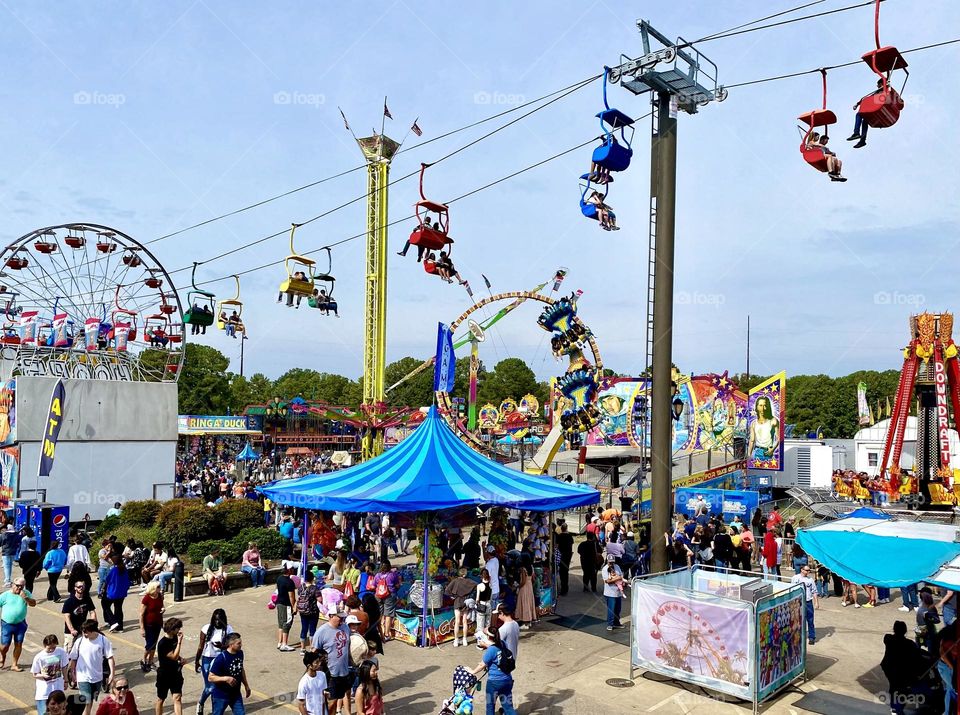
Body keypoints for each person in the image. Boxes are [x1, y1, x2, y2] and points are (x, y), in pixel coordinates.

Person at [68, 620, 115, 715]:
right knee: (85, 700)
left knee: (91, 700)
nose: (84, 634)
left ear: (93, 631)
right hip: (83, 677)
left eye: (86, 632)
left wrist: (112, 674)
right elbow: (73, 659)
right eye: (83, 632)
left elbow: (110, 657)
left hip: (97, 677)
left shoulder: (103, 640)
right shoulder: (80, 641)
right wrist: (72, 673)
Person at [468, 626, 518, 715]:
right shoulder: (503, 644)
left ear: (488, 637)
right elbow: (497, 650)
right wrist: (486, 646)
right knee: (508, 706)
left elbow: (482, 665)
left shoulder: (491, 650)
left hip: (494, 683)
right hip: (507, 680)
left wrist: (473, 671)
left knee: (490, 706)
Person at [312, 606, 352, 715]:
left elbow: (350, 647)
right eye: (339, 617)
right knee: (331, 702)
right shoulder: (321, 632)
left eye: (343, 617)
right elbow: (313, 653)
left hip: (344, 671)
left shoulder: (345, 628)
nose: (342, 620)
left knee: (341, 698)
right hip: (330, 673)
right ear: (330, 616)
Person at [195, 608, 233, 715]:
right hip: (207, 659)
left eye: (219, 620)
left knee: (217, 687)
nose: (217, 622)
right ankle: (201, 703)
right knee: (210, 687)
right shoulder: (206, 628)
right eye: (215, 620)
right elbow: (200, 646)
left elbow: (232, 646)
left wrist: (223, 646)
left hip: (220, 659)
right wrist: (197, 661)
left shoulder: (228, 629)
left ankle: (214, 711)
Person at [880, 620, 919, 715]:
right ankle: (897, 708)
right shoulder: (909, 643)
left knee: (894, 686)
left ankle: (895, 708)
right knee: (901, 688)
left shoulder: (888, 638)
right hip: (902, 669)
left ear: (894, 629)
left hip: (889, 667)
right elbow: (917, 652)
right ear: (905, 631)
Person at [208, 632, 250, 715]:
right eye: (238, 643)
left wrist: (246, 685)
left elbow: (241, 669)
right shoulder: (221, 658)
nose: (241, 645)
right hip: (221, 695)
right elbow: (210, 677)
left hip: (235, 694)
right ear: (231, 645)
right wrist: (226, 678)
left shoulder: (240, 653)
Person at [0, 576, 37, 669]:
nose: (19, 588)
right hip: (7, 624)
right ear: (13, 585)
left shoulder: (26, 593)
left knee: (18, 644)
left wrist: (26, 598)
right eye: (17, 586)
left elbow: (33, 604)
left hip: (20, 624)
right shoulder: (5, 595)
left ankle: (14, 664)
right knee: (4, 646)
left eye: (22, 586)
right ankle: (2, 657)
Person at [155, 617, 185, 715]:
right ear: (172, 629)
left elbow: (175, 655)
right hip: (164, 674)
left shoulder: (174, 637)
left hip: (175, 673)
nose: (179, 630)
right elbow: (174, 656)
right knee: (161, 698)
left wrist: (181, 659)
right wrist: (180, 642)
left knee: (177, 697)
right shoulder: (163, 643)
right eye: (178, 628)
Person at [32, 634, 68, 715]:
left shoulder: (61, 652)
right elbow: (35, 674)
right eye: (49, 648)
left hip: (57, 688)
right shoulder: (39, 657)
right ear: (45, 645)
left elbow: (64, 667)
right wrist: (43, 676)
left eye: (54, 648)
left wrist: (66, 681)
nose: (52, 650)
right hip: (44, 692)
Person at [847, 78, 885, 148]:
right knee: (865, 121)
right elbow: (866, 98)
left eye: (878, 85)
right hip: (875, 110)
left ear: (881, 84)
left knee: (859, 114)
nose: (877, 86)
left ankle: (856, 133)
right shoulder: (879, 91)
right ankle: (862, 141)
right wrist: (858, 104)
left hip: (877, 109)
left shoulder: (885, 90)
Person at [62, 581, 97, 654]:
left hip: (83, 629)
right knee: (68, 651)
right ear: (75, 588)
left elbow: (92, 612)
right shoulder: (69, 602)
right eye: (79, 587)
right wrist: (72, 630)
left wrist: (93, 625)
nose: (81, 588)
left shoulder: (87, 599)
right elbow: (67, 617)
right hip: (71, 631)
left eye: (82, 586)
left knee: (81, 650)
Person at [445, 568, 477, 648]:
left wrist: (453, 596)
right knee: (465, 621)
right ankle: (465, 639)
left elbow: (447, 590)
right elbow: (477, 585)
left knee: (457, 621)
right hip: (466, 601)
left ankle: (456, 640)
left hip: (457, 601)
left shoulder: (455, 581)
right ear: (465, 574)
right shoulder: (469, 581)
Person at [138, 581, 164, 673]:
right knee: (149, 644)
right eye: (158, 586)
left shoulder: (160, 596)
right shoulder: (147, 598)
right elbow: (141, 614)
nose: (160, 588)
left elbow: (161, 606)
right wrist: (142, 628)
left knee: (154, 644)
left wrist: (163, 609)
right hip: (149, 624)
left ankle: (151, 661)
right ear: (153, 588)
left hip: (158, 623)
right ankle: (144, 659)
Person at [790, 564, 819, 645]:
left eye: (809, 570)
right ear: (802, 570)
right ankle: (797, 637)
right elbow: (791, 589)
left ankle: (811, 637)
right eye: (806, 570)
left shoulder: (810, 580)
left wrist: (816, 602)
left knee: (810, 620)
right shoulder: (795, 578)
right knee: (798, 620)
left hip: (808, 602)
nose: (808, 572)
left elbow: (814, 591)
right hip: (798, 602)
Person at [371, 560, 399, 643]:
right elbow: (397, 585)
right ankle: (386, 634)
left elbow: (373, 586)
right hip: (389, 596)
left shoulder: (377, 575)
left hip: (378, 596)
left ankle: (378, 632)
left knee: (379, 614)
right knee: (388, 614)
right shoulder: (393, 575)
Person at [101, 555, 129, 633]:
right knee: (118, 608)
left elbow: (107, 580)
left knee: (105, 605)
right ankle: (120, 627)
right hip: (122, 593)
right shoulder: (124, 569)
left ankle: (112, 622)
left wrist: (103, 589)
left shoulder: (114, 570)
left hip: (113, 592)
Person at [296, 650, 328, 715]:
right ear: (309, 665)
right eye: (316, 662)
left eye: (319, 661)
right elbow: (301, 705)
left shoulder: (322, 675)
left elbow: (323, 696)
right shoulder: (304, 682)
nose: (319, 663)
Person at [297, 570, 320, 653]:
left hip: (302, 611)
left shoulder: (301, 587)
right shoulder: (314, 588)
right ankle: (312, 648)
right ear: (312, 578)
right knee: (312, 629)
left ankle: (302, 649)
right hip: (313, 611)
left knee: (304, 629)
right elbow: (320, 599)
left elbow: (299, 596)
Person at [275, 565, 298, 652]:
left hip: (279, 603)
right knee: (287, 623)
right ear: (289, 570)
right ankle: (284, 644)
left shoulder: (279, 578)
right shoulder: (289, 582)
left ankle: (280, 642)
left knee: (281, 623)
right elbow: (291, 596)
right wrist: (294, 607)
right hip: (286, 605)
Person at [600, 554, 625, 632]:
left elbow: (621, 575)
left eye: (612, 562)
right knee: (611, 609)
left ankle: (616, 623)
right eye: (610, 562)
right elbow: (607, 581)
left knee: (618, 609)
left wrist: (619, 578)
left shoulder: (617, 566)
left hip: (618, 592)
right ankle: (610, 624)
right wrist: (618, 578)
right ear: (607, 561)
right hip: (610, 593)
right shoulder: (605, 569)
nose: (611, 563)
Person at [514, 559, 536, 629]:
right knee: (529, 603)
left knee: (524, 603)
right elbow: (533, 579)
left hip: (524, 588)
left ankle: (526, 622)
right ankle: (529, 622)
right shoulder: (531, 568)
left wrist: (517, 587)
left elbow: (523, 581)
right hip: (530, 587)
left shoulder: (523, 569)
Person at [556, 523, 574, 595]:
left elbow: (557, 546)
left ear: (561, 528)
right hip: (568, 555)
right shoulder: (570, 536)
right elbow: (571, 544)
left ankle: (563, 588)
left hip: (561, 555)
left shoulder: (559, 536)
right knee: (566, 572)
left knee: (561, 572)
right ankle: (565, 587)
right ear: (566, 528)